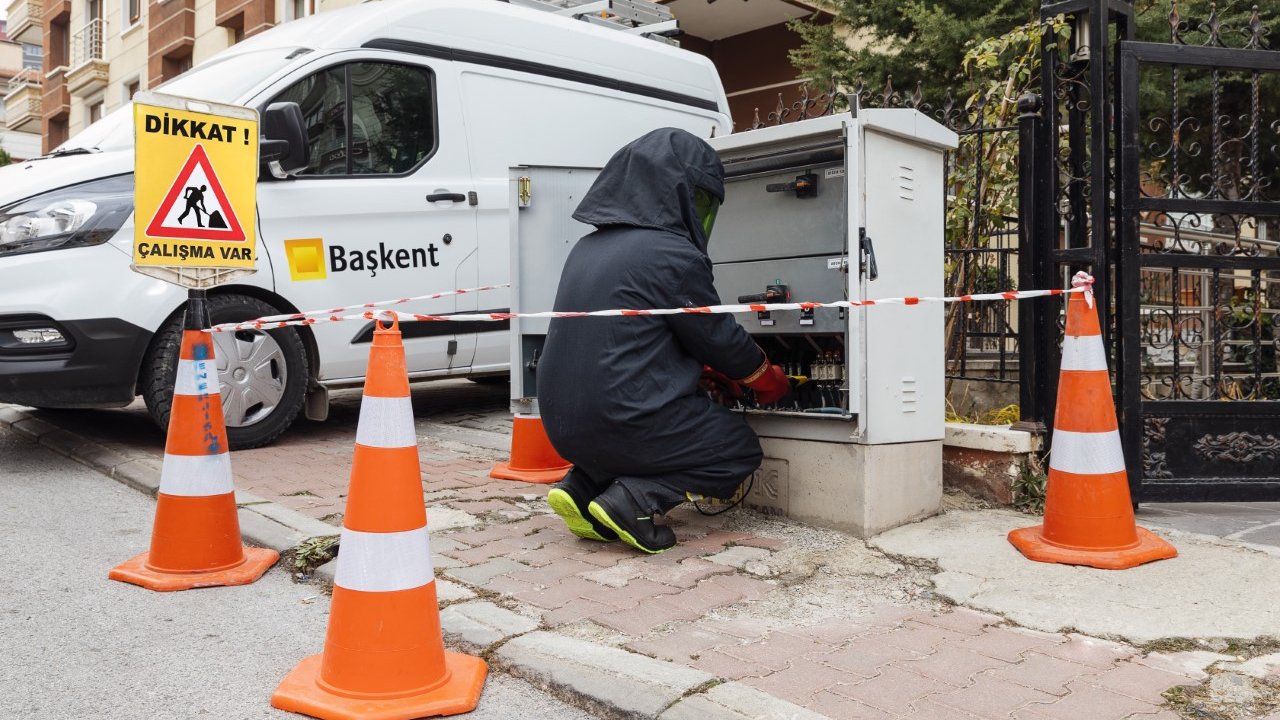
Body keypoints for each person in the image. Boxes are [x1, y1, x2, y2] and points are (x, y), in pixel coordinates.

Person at [538, 127, 790, 554]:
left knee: (627, 433)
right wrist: (766, 378)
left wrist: (700, 370)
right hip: (623, 420)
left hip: (563, 428)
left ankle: (580, 488)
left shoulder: (585, 248)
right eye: (701, 200)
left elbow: (629, 341)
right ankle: (635, 500)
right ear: (679, 194)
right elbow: (720, 339)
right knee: (737, 447)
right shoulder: (671, 252)